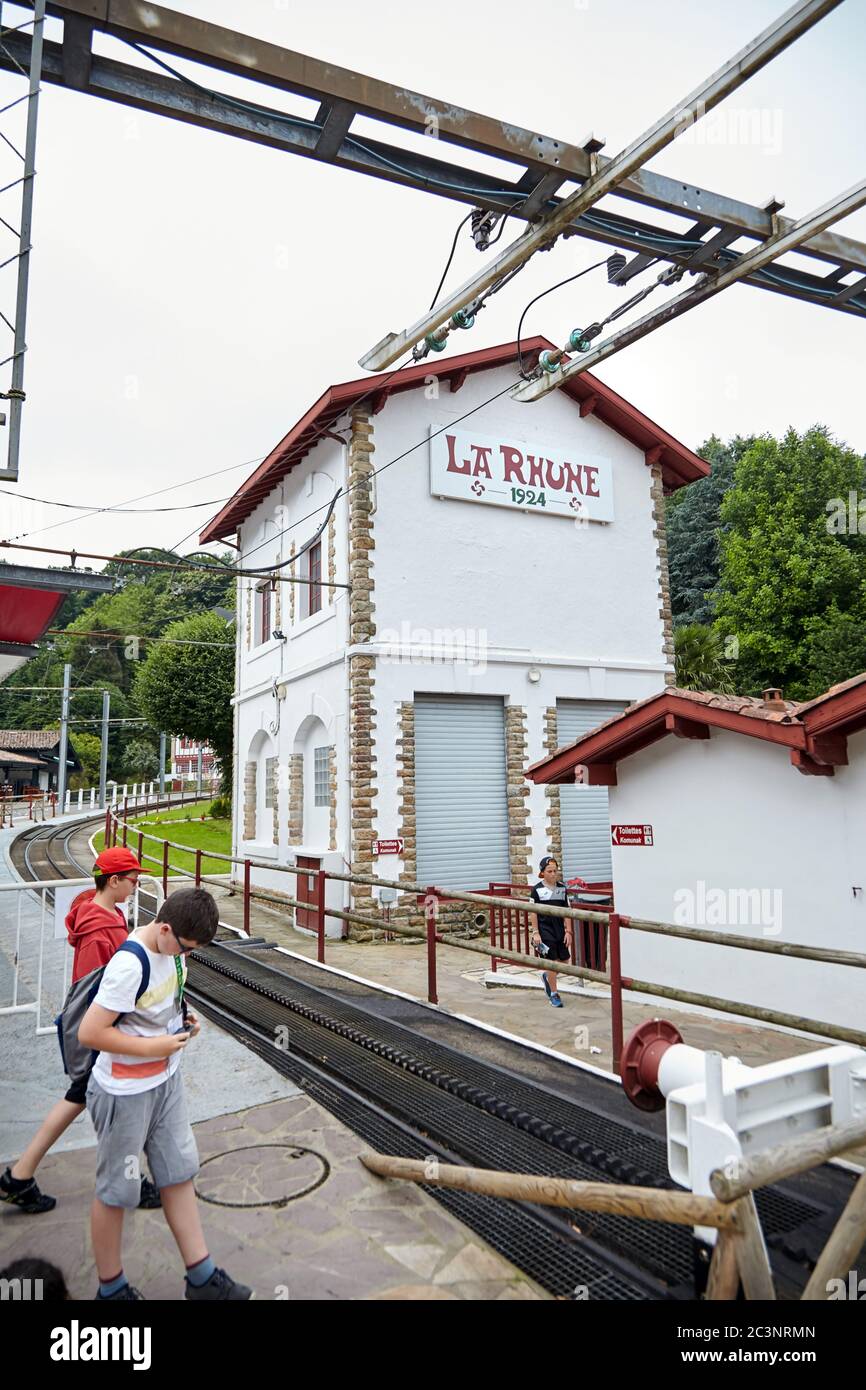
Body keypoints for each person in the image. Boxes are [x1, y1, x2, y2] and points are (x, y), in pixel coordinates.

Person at [78, 886, 253, 1301]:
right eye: (187, 947)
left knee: (177, 1173)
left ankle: (202, 1276)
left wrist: (183, 1019)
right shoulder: (129, 963)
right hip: (124, 1091)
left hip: (164, 1082)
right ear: (166, 927)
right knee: (116, 1192)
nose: (188, 955)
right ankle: (112, 1288)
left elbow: (158, 1003)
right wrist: (152, 1047)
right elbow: (91, 1032)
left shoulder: (174, 952)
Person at [0, 846, 161, 1215]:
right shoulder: (99, 928)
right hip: (100, 1034)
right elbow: (91, 989)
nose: (137, 885)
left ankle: (20, 1177)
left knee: (83, 1098)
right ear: (114, 880)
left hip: (105, 1032)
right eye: (133, 880)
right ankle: (128, 1183)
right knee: (111, 1103)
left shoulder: (107, 914)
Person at [529, 855, 574, 1009]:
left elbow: (567, 910)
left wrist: (569, 931)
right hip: (544, 930)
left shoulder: (562, 889)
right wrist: (535, 932)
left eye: (555, 871)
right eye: (550, 871)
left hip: (559, 930)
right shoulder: (536, 890)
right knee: (552, 962)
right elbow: (532, 912)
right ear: (542, 873)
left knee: (564, 961)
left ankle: (547, 976)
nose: (553, 874)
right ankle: (554, 994)